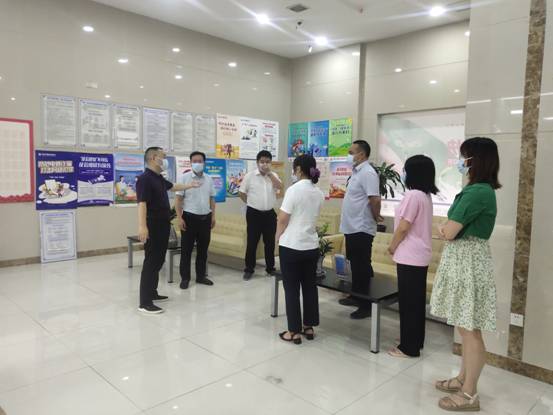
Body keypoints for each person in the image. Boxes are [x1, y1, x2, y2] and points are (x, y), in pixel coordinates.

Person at [430, 137, 501, 412]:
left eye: (464, 157)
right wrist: (447, 228)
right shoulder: (478, 190)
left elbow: (449, 231)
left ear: (476, 160)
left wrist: (444, 229)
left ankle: (470, 394)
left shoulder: (477, 192)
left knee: (470, 331)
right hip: (467, 261)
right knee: (465, 326)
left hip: (468, 263)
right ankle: (462, 379)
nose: (461, 162)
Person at [136, 147, 199, 314]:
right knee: (151, 262)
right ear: (153, 158)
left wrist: (190, 185)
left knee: (158, 261)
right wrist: (142, 226)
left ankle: (152, 292)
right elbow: (142, 203)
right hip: (153, 226)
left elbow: (173, 187)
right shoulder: (144, 179)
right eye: (163, 156)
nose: (165, 160)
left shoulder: (158, 178)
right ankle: (144, 302)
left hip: (163, 225)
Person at [387, 155, 438, 358]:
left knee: (408, 302)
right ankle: (415, 339)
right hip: (420, 255)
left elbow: (403, 227)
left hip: (409, 255)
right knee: (416, 302)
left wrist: (392, 246)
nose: (403, 174)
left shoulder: (413, 195)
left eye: (405, 170)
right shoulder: (425, 195)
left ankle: (408, 347)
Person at [276, 154, 324, 344]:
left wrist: (276, 237)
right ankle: (308, 327)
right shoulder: (318, 192)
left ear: (298, 169)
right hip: (311, 245)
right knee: (310, 287)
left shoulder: (293, 190)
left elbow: (282, 219)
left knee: (291, 289)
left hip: (292, 245)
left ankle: (293, 331)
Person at [338, 140, 382, 319]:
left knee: (362, 266)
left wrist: (376, 216)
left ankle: (365, 304)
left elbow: (375, 199)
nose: (349, 155)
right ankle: (356, 296)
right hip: (351, 226)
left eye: (351, 152)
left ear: (362, 154)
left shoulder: (368, 173)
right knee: (354, 264)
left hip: (361, 227)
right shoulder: (357, 172)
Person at [175, 151, 216, 289]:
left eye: (200, 161)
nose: (197, 163)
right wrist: (179, 218)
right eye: (194, 161)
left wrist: (213, 216)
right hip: (189, 218)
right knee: (186, 251)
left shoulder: (209, 179)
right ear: (190, 162)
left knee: (203, 250)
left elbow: (212, 199)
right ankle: (185, 278)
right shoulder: (184, 178)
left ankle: (200, 276)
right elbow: (178, 200)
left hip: (205, 219)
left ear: (204, 163)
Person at [239, 150, 283, 281]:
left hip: (269, 214)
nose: (265, 164)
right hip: (254, 214)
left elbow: (280, 187)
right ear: (257, 163)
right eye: (262, 162)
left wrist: (270, 174)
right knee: (252, 242)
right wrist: (250, 203)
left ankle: (270, 268)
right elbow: (242, 193)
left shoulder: (274, 175)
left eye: (267, 162)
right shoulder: (250, 176)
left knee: (270, 243)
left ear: (271, 163)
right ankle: (249, 269)